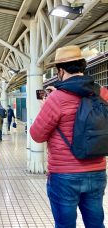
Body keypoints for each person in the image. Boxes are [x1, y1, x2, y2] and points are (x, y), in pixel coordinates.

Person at [30, 45, 108, 228]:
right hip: (97, 171)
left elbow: (37, 135)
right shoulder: (102, 93)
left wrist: (45, 107)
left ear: (60, 71)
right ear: (82, 66)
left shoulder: (56, 98)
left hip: (65, 176)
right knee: (96, 223)